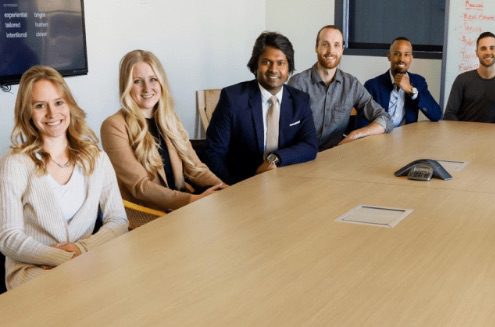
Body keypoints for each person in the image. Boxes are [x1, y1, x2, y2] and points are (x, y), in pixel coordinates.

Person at [0, 66, 128, 290]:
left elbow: (118, 220)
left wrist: (81, 250)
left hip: (85, 265)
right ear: (27, 112)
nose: (52, 113)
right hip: (32, 273)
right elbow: (9, 238)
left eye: (58, 102)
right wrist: (61, 259)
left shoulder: (97, 159)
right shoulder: (15, 163)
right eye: (40, 106)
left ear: (69, 104)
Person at [102, 50, 227, 211]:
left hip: (183, 208)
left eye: (153, 79)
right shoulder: (113, 126)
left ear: (161, 82)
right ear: (126, 86)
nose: (147, 88)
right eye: (138, 81)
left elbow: (195, 168)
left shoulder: (170, 118)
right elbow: (140, 187)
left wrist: (223, 188)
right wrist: (194, 200)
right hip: (150, 215)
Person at [205, 32, 318, 185]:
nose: (274, 69)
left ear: (289, 67)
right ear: (256, 65)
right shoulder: (232, 98)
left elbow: (310, 145)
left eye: (281, 63)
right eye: (266, 62)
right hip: (240, 184)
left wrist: (275, 158)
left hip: (286, 182)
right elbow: (214, 153)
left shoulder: (300, 100)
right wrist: (233, 188)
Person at [288, 25, 392, 151]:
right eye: (325, 44)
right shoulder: (298, 83)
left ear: (342, 49)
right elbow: (287, 131)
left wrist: (355, 134)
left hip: (336, 156)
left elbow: (385, 119)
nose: (330, 51)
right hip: (303, 156)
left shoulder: (351, 84)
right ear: (316, 47)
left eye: (336, 45)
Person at [363, 37, 442, 128]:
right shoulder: (372, 85)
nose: (402, 59)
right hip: (380, 137)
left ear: (411, 58)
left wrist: (411, 90)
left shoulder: (418, 81)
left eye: (406, 55)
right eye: (397, 54)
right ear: (389, 56)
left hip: (407, 138)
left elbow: (436, 115)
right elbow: (363, 123)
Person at [444, 31, 495, 124]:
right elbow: (449, 114)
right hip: (464, 136)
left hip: (494, 137)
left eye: (492, 48)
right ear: (477, 52)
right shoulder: (462, 80)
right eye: (483, 48)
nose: (488, 52)